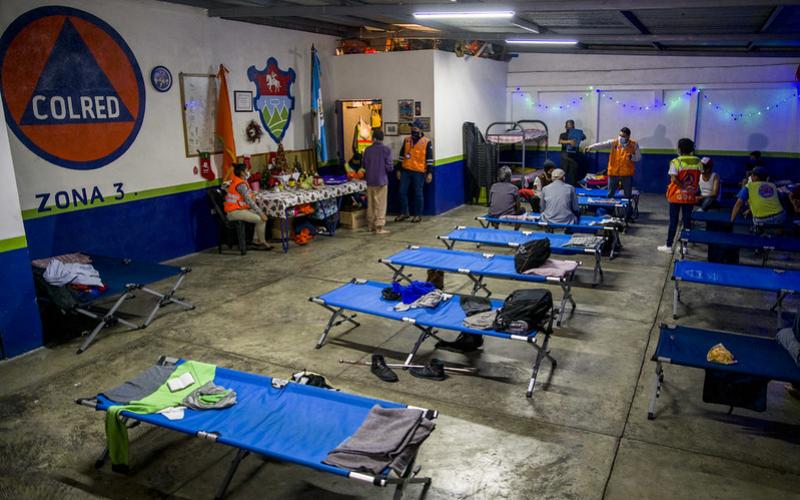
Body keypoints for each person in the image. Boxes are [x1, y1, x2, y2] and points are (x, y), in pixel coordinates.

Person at [658, 138, 702, 253]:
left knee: (674, 221)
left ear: (680, 149)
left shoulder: (676, 161)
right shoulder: (698, 161)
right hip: (690, 196)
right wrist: (691, 189)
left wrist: (683, 187)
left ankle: (669, 246)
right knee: (687, 221)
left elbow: (674, 179)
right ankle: (684, 247)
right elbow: (700, 178)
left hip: (676, 196)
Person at [224, 163, 272, 251]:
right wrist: (261, 213)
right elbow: (249, 201)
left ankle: (256, 240)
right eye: (247, 170)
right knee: (260, 218)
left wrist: (252, 197)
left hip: (239, 209)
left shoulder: (239, 180)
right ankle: (262, 242)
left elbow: (248, 196)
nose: (248, 171)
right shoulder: (240, 184)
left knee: (261, 216)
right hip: (233, 212)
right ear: (242, 172)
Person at [583, 127, 641, 198]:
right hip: (613, 172)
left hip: (626, 174)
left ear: (628, 136)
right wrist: (591, 147)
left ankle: (627, 204)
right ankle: (610, 204)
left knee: (627, 195)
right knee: (610, 194)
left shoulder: (634, 145)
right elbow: (602, 145)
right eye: (620, 135)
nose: (621, 138)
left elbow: (638, 158)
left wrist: (632, 157)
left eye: (623, 136)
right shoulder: (613, 143)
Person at [395, 119, 433, 223]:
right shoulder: (407, 140)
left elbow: (429, 159)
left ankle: (418, 215)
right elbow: (401, 156)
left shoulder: (426, 142)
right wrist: (398, 169)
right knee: (401, 192)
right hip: (406, 170)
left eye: (415, 128)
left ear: (420, 129)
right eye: (412, 128)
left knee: (418, 194)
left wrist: (429, 173)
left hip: (419, 172)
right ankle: (404, 213)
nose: (412, 130)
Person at [362, 129, 393, 234]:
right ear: (382, 139)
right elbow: (389, 167)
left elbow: (364, 165)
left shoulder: (367, 150)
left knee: (371, 204)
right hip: (381, 181)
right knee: (381, 204)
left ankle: (370, 225)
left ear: (373, 138)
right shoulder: (386, 150)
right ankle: (379, 227)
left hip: (370, 180)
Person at [558, 120, 586, 186]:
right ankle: (563, 186)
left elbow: (584, 137)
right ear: (565, 127)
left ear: (574, 126)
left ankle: (573, 186)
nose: (569, 127)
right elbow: (560, 141)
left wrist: (580, 134)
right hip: (565, 156)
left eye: (571, 126)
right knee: (564, 171)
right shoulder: (563, 134)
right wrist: (569, 141)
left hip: (574, 156)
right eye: (568, 126)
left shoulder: (576, 133)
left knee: (573, 172)